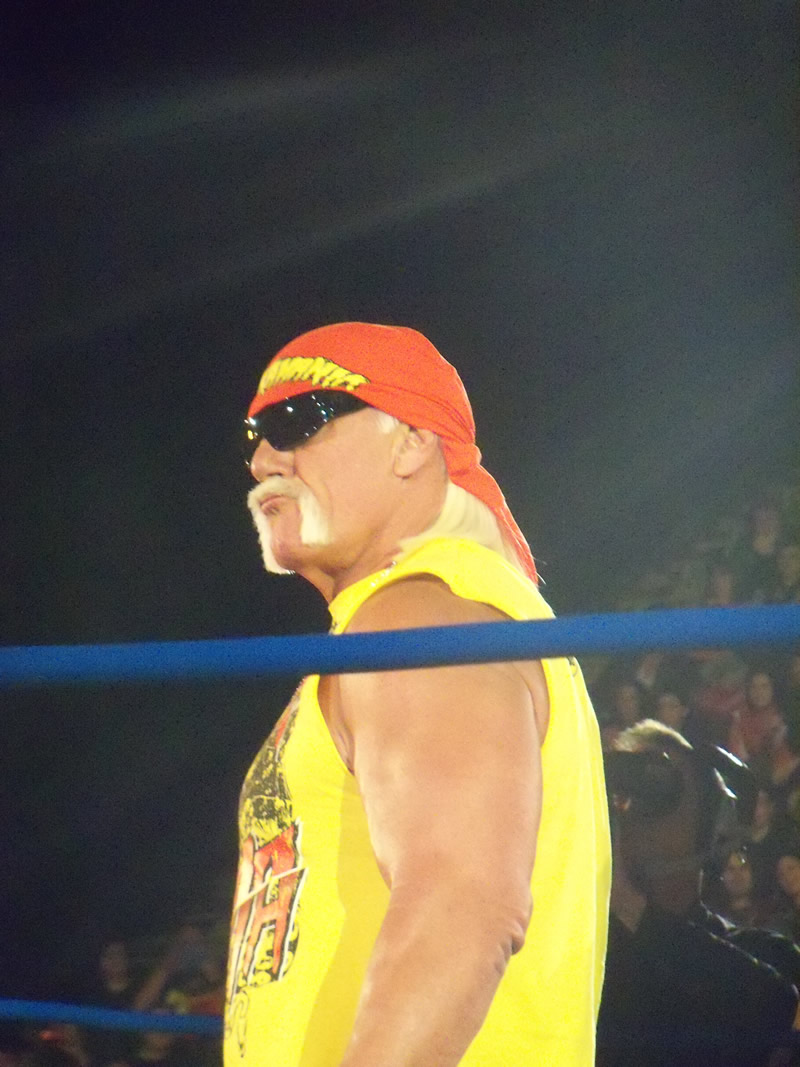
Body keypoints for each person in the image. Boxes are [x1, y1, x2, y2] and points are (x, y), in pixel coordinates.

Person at [223, 322, 611, 1065]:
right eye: (254, 436)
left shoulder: (421, 617)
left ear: (411, 442)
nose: (264, 459)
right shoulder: (430, 613)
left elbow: (462, 908)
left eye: (299, 419)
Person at [599, 718, 800, 1067]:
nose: (630, 809)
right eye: (623, 793)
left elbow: (780, 1014)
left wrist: (635, 911)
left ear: (711, 822)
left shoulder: (765, 954)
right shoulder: (589, 954)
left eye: (658, 787)